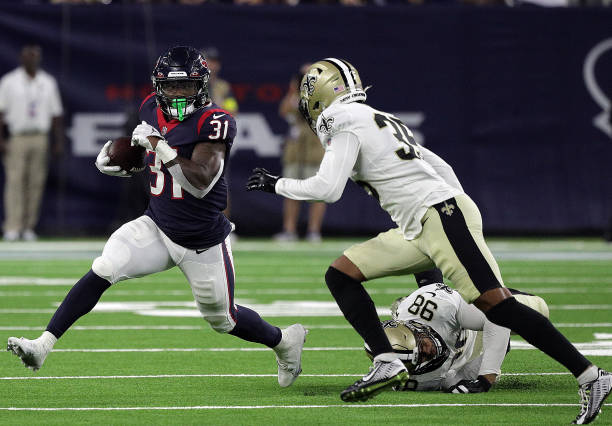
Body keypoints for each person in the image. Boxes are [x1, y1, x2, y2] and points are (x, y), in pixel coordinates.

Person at [246, 57, 611, 423]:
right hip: (424, 223)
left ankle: (590, 376)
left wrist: (275, 184)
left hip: (437, 216)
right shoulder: (378, 117)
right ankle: (387, 360)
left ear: (318, 97)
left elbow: (328, 189)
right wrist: (452, 212)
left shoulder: (338, 118)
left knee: (497, 305)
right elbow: (440, 167)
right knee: (341, 274)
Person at [7, 46, 307, 389]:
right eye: (172, 86)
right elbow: (147, 159)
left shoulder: (216, 122)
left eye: (188, 86)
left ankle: (285, 340)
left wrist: (157, 144)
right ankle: (43, 345)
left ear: (203, 86)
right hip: (158, 224)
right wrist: (120, 161)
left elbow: (199, 182)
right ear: (158, 86)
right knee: (105, 266)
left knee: (224, 319)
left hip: (201, 240)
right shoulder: (150, 106)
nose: (179, 94)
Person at [365, 283, 549, 393]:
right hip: (465, 355)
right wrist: (481, 365)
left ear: (416, 329)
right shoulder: (414, 382)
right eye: (423, 356)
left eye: (423, 344)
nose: (430, 350)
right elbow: (455, 379)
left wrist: (487, 377)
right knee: (452, 382)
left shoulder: (435, 308)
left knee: (539, 310)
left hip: (472, 312)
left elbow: (498, 316)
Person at [0, 44, 64, 241]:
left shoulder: (47, 82)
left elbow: (56, 115)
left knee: (35, 182)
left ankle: (28, 227)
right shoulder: (9, 81)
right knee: (15, 181)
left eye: (35, 56)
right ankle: (12, 226)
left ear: (39, 58)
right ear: (22, 58)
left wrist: (58, 141)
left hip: (40, 136)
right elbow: (0, 113)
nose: (31, 59)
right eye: (28, 56)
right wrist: (1, 139)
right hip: (18, 136)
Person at [276, 64, 327, 242]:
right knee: (291, 192)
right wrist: (293, 89)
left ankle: (314, 231)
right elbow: (283, 110)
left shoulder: (324, 94)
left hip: (315, 150)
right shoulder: (294, 96)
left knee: (317, 194)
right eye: (302, 77)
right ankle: (289, 230)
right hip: (295, 151)